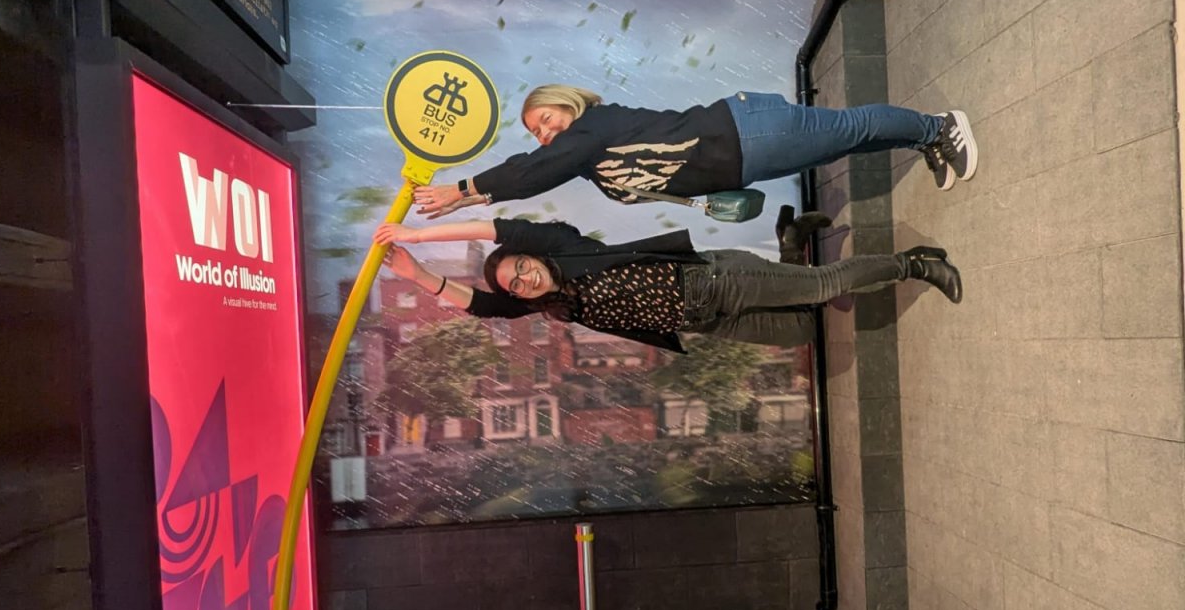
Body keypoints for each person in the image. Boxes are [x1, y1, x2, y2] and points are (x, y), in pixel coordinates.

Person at [372, 217, 961, 353]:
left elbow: (503, 225)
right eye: (515, 285)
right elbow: (484, 308)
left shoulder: (565, 246)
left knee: (822, 284)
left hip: (714, 280)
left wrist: (421, 240)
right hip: (702, 318)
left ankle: (915, 263)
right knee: (803, 329)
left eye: (518, 267)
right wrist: (418, 278)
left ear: (530, 254)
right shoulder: (558, 302)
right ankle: (791, 240)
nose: (521, 281)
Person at [412, 84, 978, 219]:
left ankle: (939, 127)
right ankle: (920, 139)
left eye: (545, 119)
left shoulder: (592, 127)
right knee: (844, 143)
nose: (544, 134)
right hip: (745, 155)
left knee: (849, 128)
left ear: (566, 105)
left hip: (742, 131)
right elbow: (544, 168)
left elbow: (533, 171)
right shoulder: (588, 162)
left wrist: (464, 193)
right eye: (535, 131)